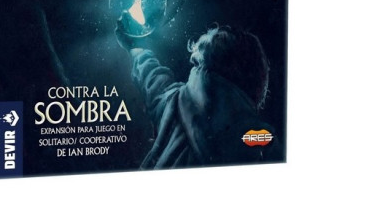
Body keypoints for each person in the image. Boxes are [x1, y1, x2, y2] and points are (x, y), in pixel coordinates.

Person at [115, 20, 280, 169]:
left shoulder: (176, 104)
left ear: (201, 65)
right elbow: (156, 82)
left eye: (195, 63)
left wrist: (136, 47)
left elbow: (156, 82)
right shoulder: (262, 143)